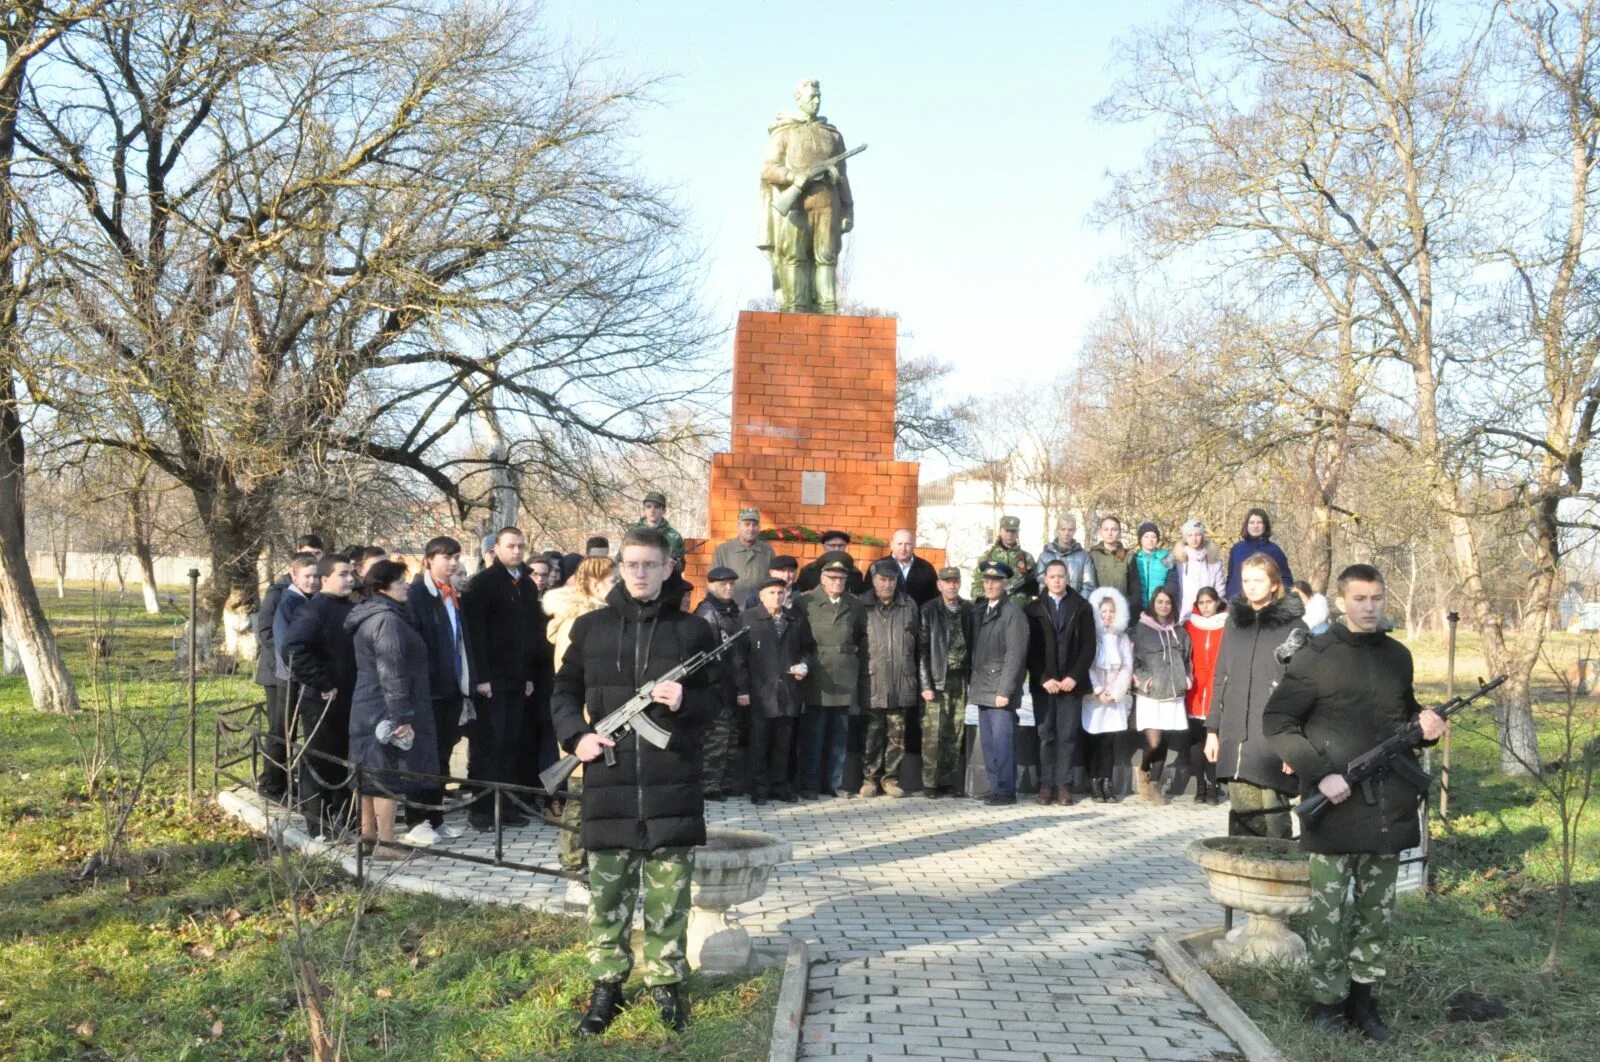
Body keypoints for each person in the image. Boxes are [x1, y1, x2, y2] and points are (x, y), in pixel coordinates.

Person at [1264, 564, 1445, 1041]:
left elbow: (1403, 715)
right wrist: (1320, 776)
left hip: (1388, 808)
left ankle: (1365, 1005)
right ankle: (1326, 1004)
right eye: (1360, 598)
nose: (1369, 607)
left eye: (1377, 598)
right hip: (1334, 807)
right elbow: (1278, 723)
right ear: (1342, 602)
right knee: (1328, 915)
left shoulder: (1397, 657)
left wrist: (1425, 730)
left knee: (1377, 914)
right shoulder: (1316, 656)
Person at [550, 526, 718, 1036]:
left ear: (669, 568)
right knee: (607, 896)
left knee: (671, 897)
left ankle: (666, 982)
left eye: (650, 564)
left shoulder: (692, 632)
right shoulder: (592, 628)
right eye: (631, 564)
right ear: (619, 567)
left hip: (672, 781)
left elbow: (720, 703)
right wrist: (575, 738)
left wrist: (685, 701)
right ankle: (608, 987)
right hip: (609, 780)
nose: (640, 573)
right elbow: (562, 691)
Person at [1205, 553, 1307, 838]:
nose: (1250, 586)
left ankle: (1278, 879)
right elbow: (1220, 677)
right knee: (1242, 821)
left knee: (1274, 822)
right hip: (1235, 733)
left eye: (1258, 580)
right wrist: (1212, 730)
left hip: (1274, 737)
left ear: (1274, 584)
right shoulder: (1234, 623)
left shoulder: (1294, 628)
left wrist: (1295, 744)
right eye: (1246, 580)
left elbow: (1304, 689)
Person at [461, 526, 552, 830]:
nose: (516, 552)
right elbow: (475, 634)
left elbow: (528, 633)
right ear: (496, 549)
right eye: (511, 546)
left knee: (512, 743)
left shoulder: (525, 585)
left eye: (521, 546)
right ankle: (482, 809)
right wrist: (482, 678)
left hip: (517, 678)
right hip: (491, 679)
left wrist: (526, 675)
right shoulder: (482, 584)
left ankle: (507, 806)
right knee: (489, 744)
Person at [345, 560, 436, 862]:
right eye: (400, 581)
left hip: (368, 704)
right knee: (387, 774)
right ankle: (387, 842)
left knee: (370, 773)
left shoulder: (372, 614)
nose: (406, 585)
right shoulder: (387, 620)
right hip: (384, 708)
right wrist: (402, 718)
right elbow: (392, 671)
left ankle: (368, 836)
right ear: (383, 586)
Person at [543, 556, 619, 878]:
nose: (620, 585)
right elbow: (569, 678)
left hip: (597, 720)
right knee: (577, 801)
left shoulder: (597, 617)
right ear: (595, 583)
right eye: (614, 580)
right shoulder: (578, 621)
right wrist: (580, 728)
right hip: (583, 723)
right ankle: (573, 866)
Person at [759, 77, 854, 314]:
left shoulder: (832, 136)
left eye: (818, 96)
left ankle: (827, 308)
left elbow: (843, 177)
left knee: (826, 257)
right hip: (796, 207)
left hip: (827, 205)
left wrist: (847, 209)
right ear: (799, 99)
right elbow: (769, 169)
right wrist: (793, 177)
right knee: (795, 257)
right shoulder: (784, 133)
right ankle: (796, 309)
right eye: (811, 96)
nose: (816, 101)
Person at [401, 537, 473, 846]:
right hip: (426, 692)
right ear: (429, 559)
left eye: (456, 556)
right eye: (446, 557)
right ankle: (417, 820)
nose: (453, 562)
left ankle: (436, 818)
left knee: (442, 755)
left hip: (451, 689)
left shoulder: (451, 595)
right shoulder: (417, 595)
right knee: (422, 758)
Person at [281, 554, 357, 840]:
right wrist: (322, 681)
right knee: (320, 760)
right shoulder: (314, 610)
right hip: (322, 700)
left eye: (351, 573)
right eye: (343, 574)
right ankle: (318, 825)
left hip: (350, 698)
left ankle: (344, 820)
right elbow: (293, 648)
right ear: (325, 579)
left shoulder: (350, 607)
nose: (350, 579)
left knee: (344, 760)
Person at [1024, 558, 1097, 806]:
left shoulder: (1082, 607)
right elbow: (1030, 650)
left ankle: (1064, 787)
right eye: (1052, 576)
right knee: (1046, 735)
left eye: (1061, 576)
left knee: (1067, 736)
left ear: (1068, 579)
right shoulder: (1033, 610)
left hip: (1070, 686)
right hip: (1044, 686)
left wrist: (1073, 677)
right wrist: (1044, 678)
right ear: (1045, 579)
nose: (1057, 580)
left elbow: (1089, 646)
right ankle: (1045, 785)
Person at [794, 556, 869, 799]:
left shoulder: (854, 605)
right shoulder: (805, 602)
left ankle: (834, 783)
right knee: (814, 736)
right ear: (822, 579)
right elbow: (799, 637)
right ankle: (810, 784)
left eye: (842, 578)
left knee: (839, 735)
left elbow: (859, 635)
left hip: (844, 676)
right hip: (817, 674)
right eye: (833, 578)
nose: (838, 582)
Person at [254, 539, 323, 800]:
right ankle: (272, 784)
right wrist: (293, 659)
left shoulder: (313, 597)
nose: (313, 579)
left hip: (299, 672)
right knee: (280, 730)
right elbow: (266, 633)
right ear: (294, 570)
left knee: (292, 729)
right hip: (278, 673)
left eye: (318, 557)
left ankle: (287, 781)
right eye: (309, 559)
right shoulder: (278, 594)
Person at [740, 578, 816, 803]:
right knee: (759, 743)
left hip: (789, 691)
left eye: (780, 593)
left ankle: (780, 786)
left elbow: (809, 649)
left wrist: (805, 665)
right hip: (760, 692)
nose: (776, 597)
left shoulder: (795, 619)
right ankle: (759, 788)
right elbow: (738, 657)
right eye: (771, 592)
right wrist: (742, 689)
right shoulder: (749, 618)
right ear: (761, 596)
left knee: (784, 743)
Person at [969, 562, 1029, 805]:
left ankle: (1005, 790)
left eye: (995, 581)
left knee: (1003, 742)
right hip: (983, 685)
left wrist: (1005, 690)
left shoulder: (1013, 614)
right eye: (986, 580)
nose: (990, 585)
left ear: (1005, 584)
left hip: (1000, 689)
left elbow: (1015, 655)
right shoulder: (982, 610)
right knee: (989, 742)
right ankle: (996, 787)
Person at [859, 559, 920, 797]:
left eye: (891, 580)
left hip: (900, 680)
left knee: (897, 735)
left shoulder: (908, 605)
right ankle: (869, 779)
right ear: (874, 581)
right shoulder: (861, 605)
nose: (887, 585)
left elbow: (916, 638)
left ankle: (891, 779)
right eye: (882, 580)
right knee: (872, 734)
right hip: (873, 678)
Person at [1131, 586, 1193, 804]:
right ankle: (1144, 769)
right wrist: (1144, 679)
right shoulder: (1141, 629)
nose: (1164, 606)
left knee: (1165, 740)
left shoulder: (1181, 631)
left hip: (1173, 692)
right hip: (1151, 692)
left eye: (1167, 602)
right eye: (1160, 602)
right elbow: (1134, 660)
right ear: (1153, 604)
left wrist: (1187, 678)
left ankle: (1155, 785)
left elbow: (1187, 660)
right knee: (1154, 741)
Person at [918, 566, 973, 798]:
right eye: (946, 581)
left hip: (960, 678)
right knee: (933, 733)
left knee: (955, 730)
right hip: (937, 678)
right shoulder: (929, 609)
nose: (951, 585)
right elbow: (921, 649)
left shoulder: (968, 609)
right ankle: (930, 783)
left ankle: (948, 780)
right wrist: (926, 684)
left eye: (955, 581)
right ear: (939, 584)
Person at [693, 566, 746, 800]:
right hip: (716, 683)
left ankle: (724, 781)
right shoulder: (708, 611)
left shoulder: (731, 610)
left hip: (732, 681)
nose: (728, 588)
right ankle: (709, 784)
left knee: (731, 737)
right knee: (717, 736)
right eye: (723, 584)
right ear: (711, 585)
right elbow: (708, 650)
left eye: (732, 584)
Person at [1085, 587, 1134, 802]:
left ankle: (1107, 781)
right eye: (1103, 611)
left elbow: (1127, 667)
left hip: (1114, 696)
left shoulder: (1122, 637)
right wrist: (1097, 691)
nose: (1107, 615)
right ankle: (1094, 782)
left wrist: (1115, 692)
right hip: (1094, 697)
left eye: (1111, 611)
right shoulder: (1091, 637)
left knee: (1109, 740)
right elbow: (1087, 665)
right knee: (1094, 739)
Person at [1182, 587, 1227, 804]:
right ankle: (1200, 786)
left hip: (1217, 689)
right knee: (1196, 741)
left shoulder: (1227, 625)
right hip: (1195, 688)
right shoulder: (1189, 625)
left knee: (1214, 739)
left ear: (1217, 602)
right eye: (1201, 602)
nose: (1206, 606)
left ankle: (1213, 785)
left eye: (1209, 602)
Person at [711, 507, 777, 604]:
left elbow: (772, 581)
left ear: (759, 527)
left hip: (758, 609)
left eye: (755, 525)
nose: (751, 529)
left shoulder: (767, 551)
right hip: (731, 608)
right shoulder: (723, 551)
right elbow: (713, 583)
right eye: (747, 524)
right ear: (738, 526)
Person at [1224, 507, 1293, 599]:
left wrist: (1277, 602)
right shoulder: (1236, 549)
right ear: (1247, 525)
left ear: (1265, 525)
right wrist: (1229, 595)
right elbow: (1231, 577)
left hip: (1265, 604)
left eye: (1259, 522)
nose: (1255, 526)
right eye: (1252, 522)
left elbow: (1286, 580)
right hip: (1236, 603)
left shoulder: (1275, 551)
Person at [973, 516, 1038, 605]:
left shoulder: (1027, 558)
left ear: (1017, 533)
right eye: (1007, 530)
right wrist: (984, 600)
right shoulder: (988, 557)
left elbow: (1035, 588)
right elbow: (977, 585)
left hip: (1021, 612)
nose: (1010, 534)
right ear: (1000, 531)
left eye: (1013, 531)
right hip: (994, 612)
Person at [1174, 519, 1225, 622]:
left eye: (1197, 534)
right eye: (1190, 535)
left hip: (1210, 617)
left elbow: (1220, 591)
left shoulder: (1214, 562)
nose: (1194, 539)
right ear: (1185, 538)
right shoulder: (1178, 562)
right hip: (1184, 616)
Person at [1037, 515, 1098, 597]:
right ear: (1057, 530)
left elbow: (1089, 585)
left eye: (1070, 530)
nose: (1066, 533)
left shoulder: (1084, 556)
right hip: (1052, 605)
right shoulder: (1045, 556)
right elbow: (1042, 583)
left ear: (1075, 531)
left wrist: (1077, 604)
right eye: (1063, 529)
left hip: (1077, 605)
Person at [1127, 521, 1178, 619]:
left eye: (1153, 537)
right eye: (1146, 536)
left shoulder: (1166, 558)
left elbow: (1172, 584)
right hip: (1137, 609)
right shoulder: (1133, 559)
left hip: (1160, 609)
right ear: (1140, 539)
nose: (1150, 540)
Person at [877, 528, 939, 606]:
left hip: (917, 617)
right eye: (899, 544)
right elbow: (868, 598)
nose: (903, 548)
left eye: (907, 544)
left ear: (914, 545)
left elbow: (934, 600)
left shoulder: (926, 568)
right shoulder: (878, 566)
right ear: (892, 545)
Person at [629, 490, 687, 569]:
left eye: (656, 507)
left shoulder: (674, 537)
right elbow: (620, 559)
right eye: (648, 506)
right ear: (644, 510)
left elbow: (682, 566)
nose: (652, 510)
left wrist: (675, 565)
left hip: (665, 580)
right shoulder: (633, 533)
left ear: (664, 511)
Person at [795, 533, 866, 594]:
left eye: (841, 546)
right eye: (832, 545)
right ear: (824, 546)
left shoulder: (854, 573)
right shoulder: (808, 571)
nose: (837, 549)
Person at [1088, 516, 1132, 597]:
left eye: (1114, 529)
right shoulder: (1092, 556)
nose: (1110, 533)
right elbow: (1088, 585)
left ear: (1119, 532)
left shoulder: (1128, 556)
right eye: (1106, 529)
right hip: (1098, 606)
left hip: (1122, 606)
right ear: (1100, 531)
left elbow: (1133, 587)